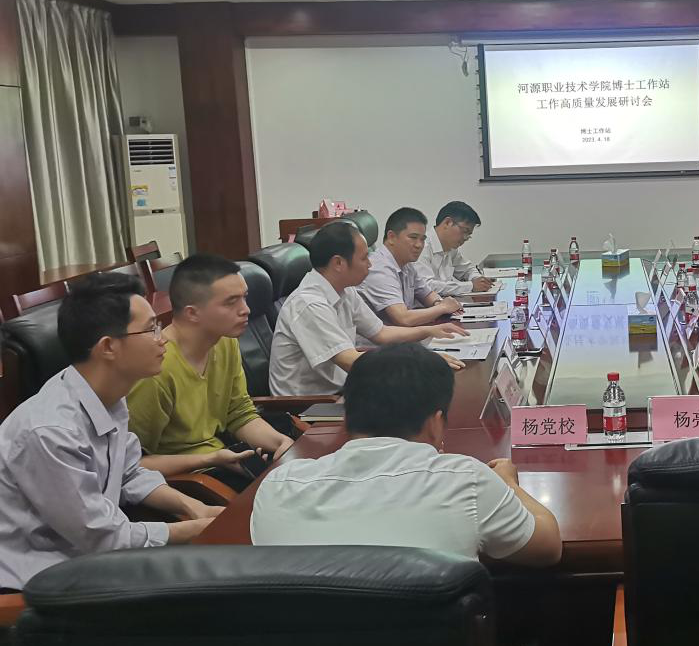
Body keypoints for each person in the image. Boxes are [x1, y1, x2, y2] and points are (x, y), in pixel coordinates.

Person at [0, 274, 220, 590]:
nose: (163, 339)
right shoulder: (50, 431)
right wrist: (194, 529)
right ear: (108, 347)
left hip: (91, 558)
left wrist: (193, 507)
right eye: (151, 329)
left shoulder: (107, 396)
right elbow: (102, 537)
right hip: (41, 582)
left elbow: (128, 473)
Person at [252, 343, 562, 567]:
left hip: (304, 642)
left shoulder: (279, 486)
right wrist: (508, 483)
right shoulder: (465, 480)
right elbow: (548, 546)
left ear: (345, 418)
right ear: (436, 423)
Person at [127, 254, 294, 491]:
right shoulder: (155, 368)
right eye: (231, 302)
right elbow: (132, 464)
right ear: (192, 313)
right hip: (188, 479)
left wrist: (280, 442)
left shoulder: (225, 340)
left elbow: (239, 414)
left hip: (224, 455)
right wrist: (210, 459)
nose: (245, 310)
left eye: (244, 297)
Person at [269, 222, 467, 397]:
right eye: (364, 258)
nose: (370, 264)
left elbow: (381, 333)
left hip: (344, 390)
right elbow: (351, 361)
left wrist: (429, 331)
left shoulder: (345, 290)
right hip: (311, 407)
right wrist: (421, 361)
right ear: (338, 263)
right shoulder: (309, 304)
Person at [358, 206, 464, 327]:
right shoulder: (379, 268)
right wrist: (443, 307)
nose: (419, 245)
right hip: (375, 338)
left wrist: (438, 303)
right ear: (391, 237)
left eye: (422, 239)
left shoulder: (406, 264)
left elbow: (427, 294)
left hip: (401, 333)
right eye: (413, 237)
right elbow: (403, 318)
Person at [417, 201, 494, 297]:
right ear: (447, 222)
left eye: (469, 235)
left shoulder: (450, 248)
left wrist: (478, 279)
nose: (466, 238)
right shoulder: (421, 247)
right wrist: (471, 286)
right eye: (464, 231)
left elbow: (468, 269)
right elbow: (426, 286)